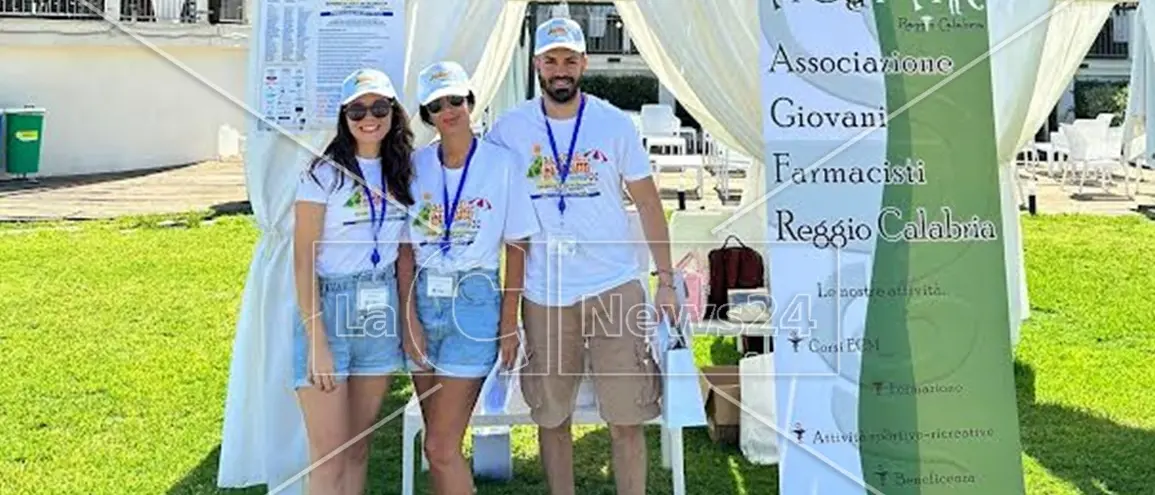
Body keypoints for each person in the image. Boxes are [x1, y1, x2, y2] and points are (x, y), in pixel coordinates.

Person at [483, 17, 677, 495]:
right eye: (551, 60)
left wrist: (667, 281)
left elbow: (648, 203)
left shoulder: (614, 124)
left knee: (627, 417)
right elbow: (482, 193)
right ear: (537, 65)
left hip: (614, 286)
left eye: (569, 60)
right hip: (545, 293)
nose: (560, 70)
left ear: (583, 64)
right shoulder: (509, 129)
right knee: (552, 417)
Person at [397, 60, 539, 495]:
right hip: (424, 299)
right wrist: (408, 319)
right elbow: (405, 250)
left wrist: (508, 323)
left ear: (470, 102)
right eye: (437, 105)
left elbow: (517, 246)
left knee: (440, 446)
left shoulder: (502, 164)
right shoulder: (415, 165)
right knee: (439, 445)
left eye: (455, 100)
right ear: (427, 114)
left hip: (475, 302)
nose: (448, 111)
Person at [292, 67, 415, 495]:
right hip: (331, 308)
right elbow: (302, 261)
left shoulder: (402, 171)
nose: (369, 118)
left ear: (393, 112)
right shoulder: (322, 174)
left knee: (358, 449)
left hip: (379, 310)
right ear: (344, 117)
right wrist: (316, 341)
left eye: (379, 107)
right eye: (357, 110)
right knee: (328, 458)